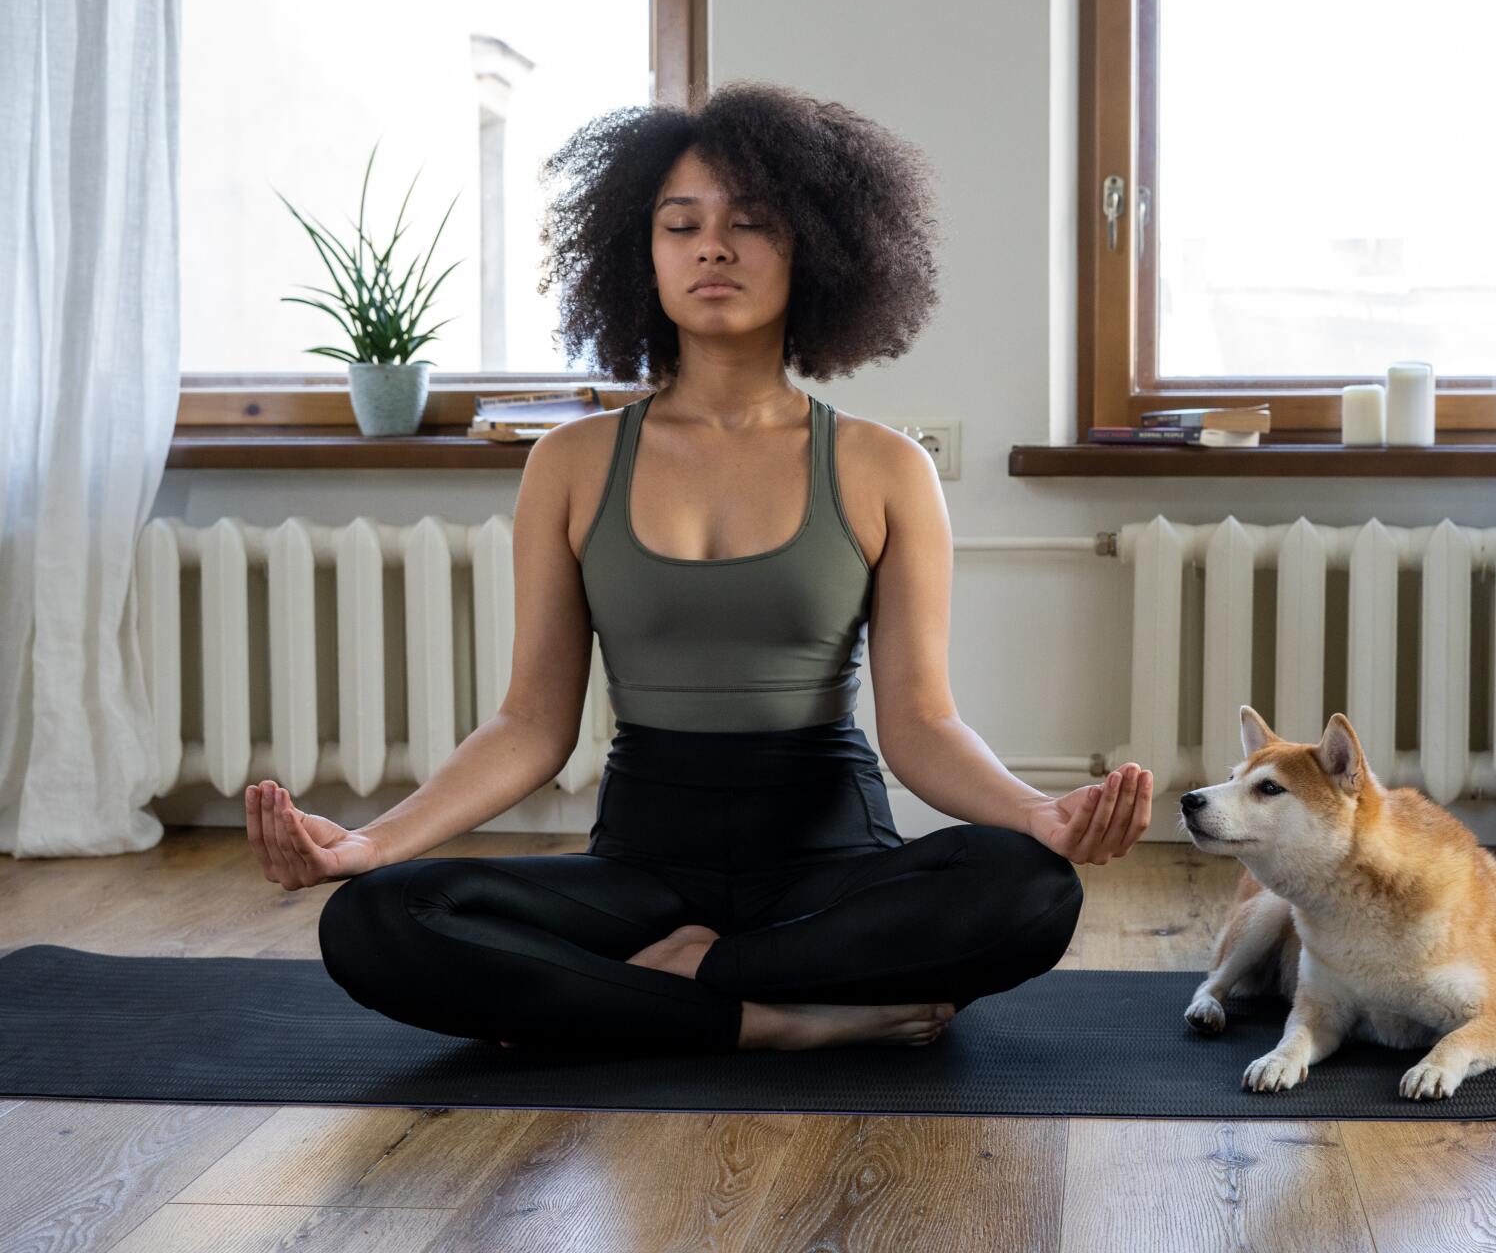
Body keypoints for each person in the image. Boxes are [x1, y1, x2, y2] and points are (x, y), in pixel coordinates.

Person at [246, 81, 1156, 1056]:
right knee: (375, 920)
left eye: (750, 224)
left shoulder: (885, 466)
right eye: (680, 225)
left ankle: (682, 984)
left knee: (1028, 892)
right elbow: (530, 723)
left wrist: (1036, 814)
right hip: (643, 871)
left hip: (829, 863)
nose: (711, 247)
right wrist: (372, 841)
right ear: (640, 256)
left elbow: (923, 723)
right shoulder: (572, 462)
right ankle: (764, 1013)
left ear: (814, 247)